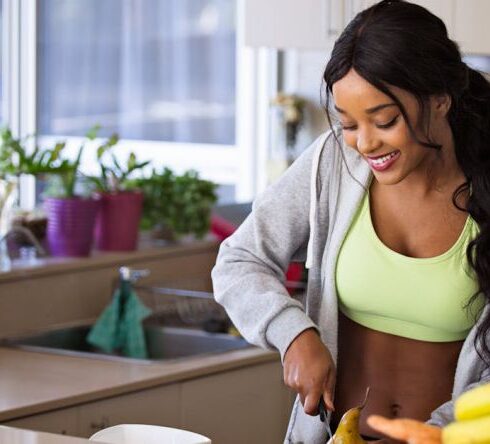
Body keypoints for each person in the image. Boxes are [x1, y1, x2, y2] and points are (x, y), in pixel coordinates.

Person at [211, 1, 490, 442]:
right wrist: (294, 333)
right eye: (348, 124)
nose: (364, 143)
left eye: (384, 121)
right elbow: (239, 260)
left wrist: (437, 433)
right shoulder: (333, 160)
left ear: (440, 99)